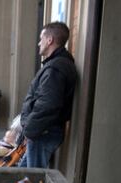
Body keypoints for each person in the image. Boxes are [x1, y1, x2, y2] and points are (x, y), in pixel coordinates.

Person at [18, 22, 77, 168]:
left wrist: (29, 131)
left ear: (49, 40)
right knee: (23, 177)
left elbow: (47, 105)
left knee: (33, 182)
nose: (39, 43)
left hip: (43, 133)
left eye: (41, 38)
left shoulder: (55, 68)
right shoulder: (56, 65)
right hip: (41, 131)